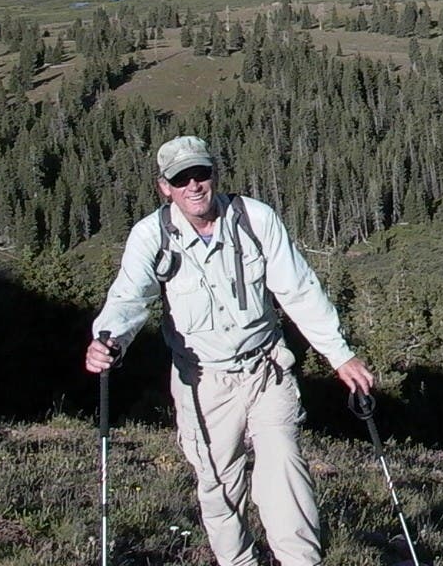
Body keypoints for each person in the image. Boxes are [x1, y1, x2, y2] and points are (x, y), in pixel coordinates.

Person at [86, 135, 375, 566]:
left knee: (283, 470)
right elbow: (130, 297)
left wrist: (340, 354)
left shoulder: (254, 219)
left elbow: (299, 290)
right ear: (164, 187)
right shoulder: (151, 236)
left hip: (266, 370)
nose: (193, 185)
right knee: (219, 486)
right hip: (202, 382)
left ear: (214, 175)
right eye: (180, 179)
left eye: (200, 173)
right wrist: (108, 339)